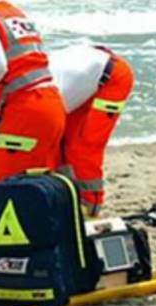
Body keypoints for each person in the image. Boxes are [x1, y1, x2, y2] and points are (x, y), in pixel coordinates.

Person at [0, 0, 65, 183]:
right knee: (38, 181)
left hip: (27, 109)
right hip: (51, 102)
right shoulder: (14, 15)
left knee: (4, 180)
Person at [50, 45, 134, 218]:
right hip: (84, 77)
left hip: (113, 77)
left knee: (84, 148)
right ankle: (70, 200)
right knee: (60, 145)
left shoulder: (38, 104)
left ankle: (91, 208)